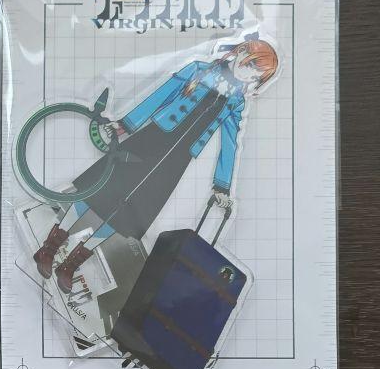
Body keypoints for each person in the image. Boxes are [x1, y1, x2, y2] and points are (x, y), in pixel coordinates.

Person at [32, 38, 278, 292]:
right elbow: (161, 95)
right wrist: (127, 124)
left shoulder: (237, 102)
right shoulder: (198, 69)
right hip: (151, 139)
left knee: (130, 214)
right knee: (101, 190)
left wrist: (222, 186)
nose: (249, 76)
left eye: (256, 77)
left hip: (177, 161)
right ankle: (48, 249)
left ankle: (71, 265)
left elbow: (230, 142)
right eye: (251, 67)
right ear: (241, 52)